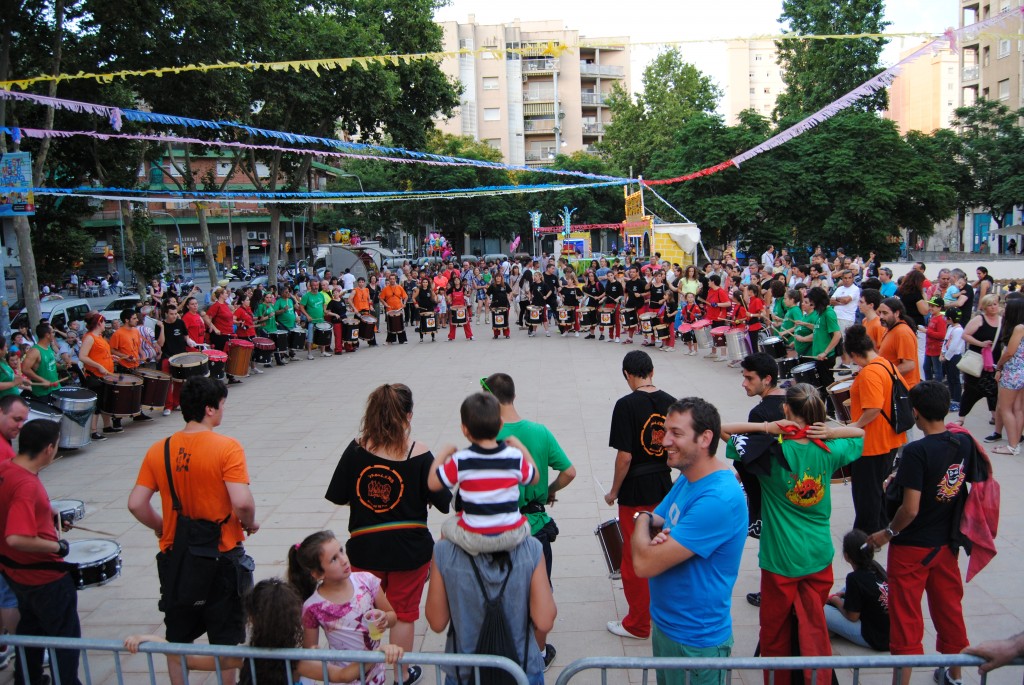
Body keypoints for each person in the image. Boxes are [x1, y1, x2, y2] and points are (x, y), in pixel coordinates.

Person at [722, 384, 865, 685]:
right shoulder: (830, 450)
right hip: (818, 554)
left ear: (785, 410)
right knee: (813, 625)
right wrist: (830, 432)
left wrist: (766, 427)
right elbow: (860, 434)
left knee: (775, 632)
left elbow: (719, 429)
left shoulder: (770, 453)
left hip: (780, 558)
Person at [128, 376, 259, 685]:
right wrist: (249, 521)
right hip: (221, 555)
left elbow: (136, 504)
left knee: (177, 639)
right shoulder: (227, 447)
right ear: (210, 409)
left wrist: (163, 527)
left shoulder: (159, 449)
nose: (223, 410)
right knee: (225, 640)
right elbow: (241, 501)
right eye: (222, 404)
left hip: (178, 557)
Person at [324, 383, 451, 685]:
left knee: (366, 610)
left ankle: (366, 670)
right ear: (408, 416)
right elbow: (444, 501)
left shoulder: (356, 449)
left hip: (365, 548)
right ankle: (401, 675)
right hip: (410, 551)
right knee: (403, 613)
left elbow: (338, 495)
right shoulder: (419, 453)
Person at [865, 381, 985, 685]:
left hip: (911, 549)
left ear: (915, 412)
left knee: (906, 617)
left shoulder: (917, 451)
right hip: (946, 545)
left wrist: (886, 533)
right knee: (949, 611)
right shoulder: (963, 442)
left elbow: (910, 509)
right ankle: (955, 676)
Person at [632, 397, 747, 685]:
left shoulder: (717, 498)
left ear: (705, 438)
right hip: (667, 627)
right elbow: (659, 518)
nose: (664, 441)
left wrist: (641, 519)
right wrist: (649, 522)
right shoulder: (688, 475)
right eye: (666, 431)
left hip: (695, 643)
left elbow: (644, 563)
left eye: (676, 433)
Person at [125, 578, 401, 685]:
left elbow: (190, 660)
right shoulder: (298, 662)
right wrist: (379, 652)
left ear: (252, 619)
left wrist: (154, 641)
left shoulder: (243, 657)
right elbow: (343, 675)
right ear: (294, 621)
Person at [0, 419, 82, 685]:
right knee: (65, 638)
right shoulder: (27, 485)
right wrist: (57, 546)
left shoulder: (6, 468)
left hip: (16, 572)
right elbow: (16, 537)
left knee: (30, 628)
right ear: (49, 449)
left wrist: (49, 515)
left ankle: (28, 679)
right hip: (44, 577)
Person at [604, 351, 675, 640]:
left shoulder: (626, 405)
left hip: (635, 490)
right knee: (663, 549)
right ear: (652, 371)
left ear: (627, 374)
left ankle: (637, 623)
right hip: (664, 485)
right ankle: (663, 613)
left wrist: (613, 491)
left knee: (635, 556)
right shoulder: (671, 402)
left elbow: (625, 456)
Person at [484, 373, 575, 586]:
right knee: (540, 596)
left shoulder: (487, 437)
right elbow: (569, 472)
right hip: (536, 529)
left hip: (501, 532)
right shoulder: (540, 432)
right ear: (514, 396)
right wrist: (549, 490)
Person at [428, 393, 537, 553]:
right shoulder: (514, 456)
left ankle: (445, 564)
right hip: (512, 534)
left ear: (464, 429)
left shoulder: (461, 459)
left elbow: (432, 484)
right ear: (501, 424)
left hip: (474, 537)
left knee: (446, 528)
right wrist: (521, 447)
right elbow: (535, 478)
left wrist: (443, 454)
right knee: (529, 531)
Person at [288, 531, 399, 685]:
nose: (343, 560)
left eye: (341, 551)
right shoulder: (313, 607)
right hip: (342, 677)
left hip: (376, 675)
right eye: (334, 559)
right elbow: (310, 655)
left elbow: (393, 617)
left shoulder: (367, 581)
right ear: (318, 574)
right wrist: (315, 652)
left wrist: (385, 619)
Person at [726, 353, 787, 608]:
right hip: (794, 483)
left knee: (771, 544)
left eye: (749, 378)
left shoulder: (760, 412)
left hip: (769, 489)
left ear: (767, 379)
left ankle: (773, 592)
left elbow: (754, 456)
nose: (744, 383)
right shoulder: (793, 402)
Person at [845, 325, 908, 533]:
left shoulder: (870, 372)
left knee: (866, 494)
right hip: (889, 438)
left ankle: (867, 535)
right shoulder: (887, 364)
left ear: (855, 354)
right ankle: (881, 527)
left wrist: (855, 425)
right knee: (876, 490)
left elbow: (873, 408)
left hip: (873, 443)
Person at [824, 530, 890, 651]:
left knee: (820, 609)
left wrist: (835, 600)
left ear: (846, 556)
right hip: (890, 631)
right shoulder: (876, 566)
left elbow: (852, 617)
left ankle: (830, 629)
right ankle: (833, 629)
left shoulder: (854, 578)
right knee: (846, 589)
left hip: (876, 638)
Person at [957, 294, 1001, 430]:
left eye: (995, 304)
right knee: (971, 389)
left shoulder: (1002, 321)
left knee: (993, 390)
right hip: (977, 360)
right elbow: (965, 335)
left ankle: (995, 416)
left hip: (993, 361)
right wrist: (980, 343)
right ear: (984, 307)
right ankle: (961, 418)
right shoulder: (979, 319)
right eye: (990, 305)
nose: (993, 307)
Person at [78, 312, 118, 440]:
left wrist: (110, 357)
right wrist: (98, 366)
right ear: (99, 323)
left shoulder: (99, 336)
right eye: (104, 322)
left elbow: (99, 353)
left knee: (105, 401)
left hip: (105, 375)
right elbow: (82, 356)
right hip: (95, 375)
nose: (105, 324)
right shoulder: (90, 337)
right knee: (97, 404)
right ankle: (93, 431)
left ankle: (107, 425)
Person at [992, 297, 1024, 455]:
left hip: (1013, 372)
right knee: (1018, 409)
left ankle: (1012, 446)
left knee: (1005, 408)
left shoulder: (1019, 327)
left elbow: (1010, 352)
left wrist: (998, 365)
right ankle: (1015, 443)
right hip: (1021, 372)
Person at [878, 298, 921, 388]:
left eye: (885, 313)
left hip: (904, 388)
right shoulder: (890, 329)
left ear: (897, 313)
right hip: (894, 386)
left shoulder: (902, 333)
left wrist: (884, 376)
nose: (881, 316)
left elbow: (908, 365)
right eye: (880, 312)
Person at [20, 323, 61, 399]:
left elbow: (50, 364)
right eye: (53, 332)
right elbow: (25, 369)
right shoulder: (35, 351)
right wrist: (42, 380)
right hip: (42, 393)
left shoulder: (48, 348)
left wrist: (63, 366)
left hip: (55, 388)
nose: (54, 334)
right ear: (47, 335)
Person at [297, 278, 329, 359]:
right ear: (310, 286)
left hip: (320, 319)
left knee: (322, 336)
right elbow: (301, 307)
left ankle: (323, 352)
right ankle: (309, 354)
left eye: (317, 285)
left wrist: (325, 311)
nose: (315, 287)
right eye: (314, 285)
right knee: (310, 337)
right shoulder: (307, 296)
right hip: (311, 320)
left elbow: (323, 305)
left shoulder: (321, 295)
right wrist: (307, 316)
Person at [380, 274, 409, 345]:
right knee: (390, 325)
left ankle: (402, 340)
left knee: (400, 324)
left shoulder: (399, 287)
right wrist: (385, 304)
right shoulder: (385, 289)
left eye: (393, 279)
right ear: (389, 280)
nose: (392, 280)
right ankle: (390, 340)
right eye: (391, 279)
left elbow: (405, 296)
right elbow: (380, 298)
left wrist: (404, 303)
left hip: (399, 309)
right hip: (390, 309)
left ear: (395, 279)